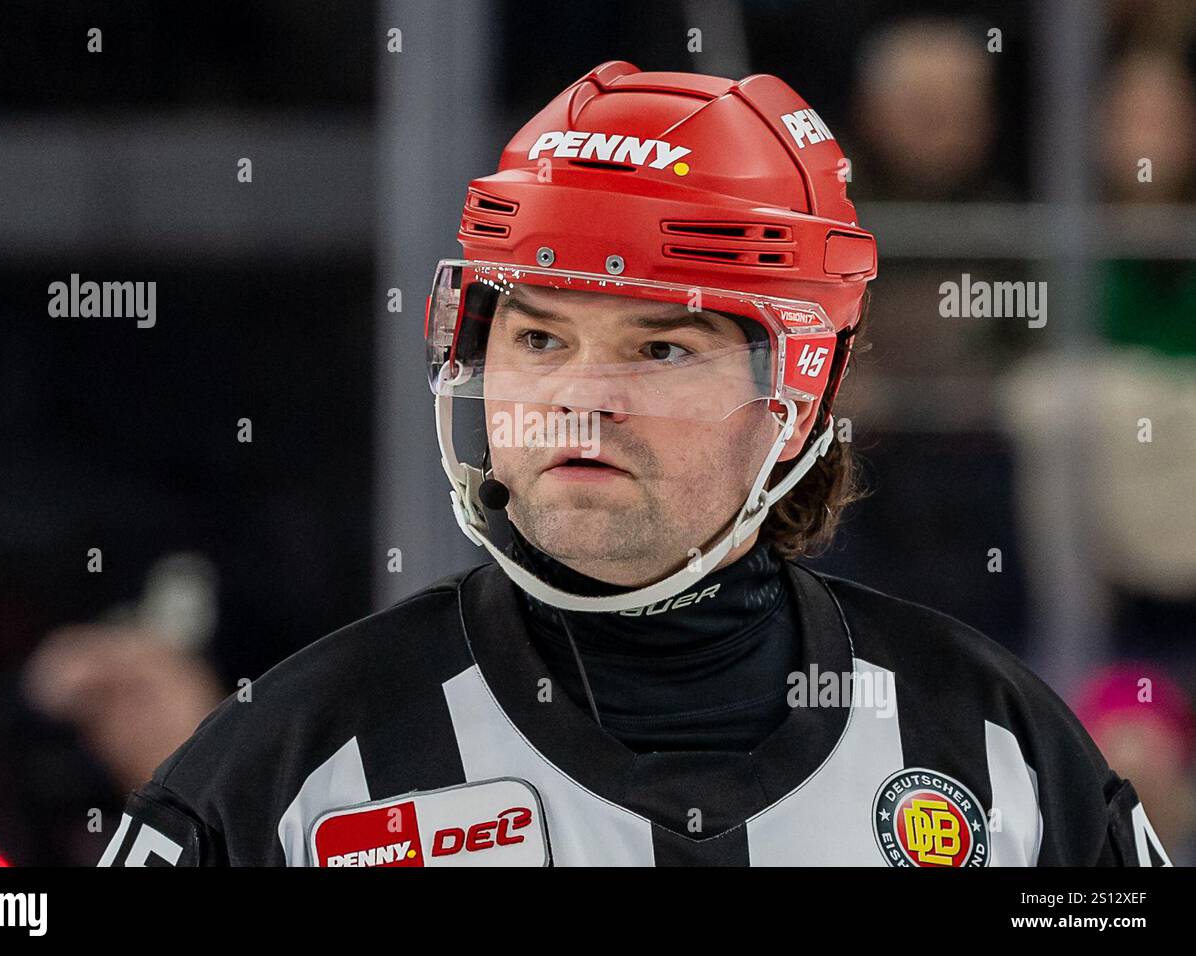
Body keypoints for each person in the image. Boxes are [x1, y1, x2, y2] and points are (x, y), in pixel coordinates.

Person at [99, 62, 1168, 867]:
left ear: (801, 389)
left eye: (661, 347)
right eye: (539, 337)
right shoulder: (288, 766)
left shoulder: (997, 749)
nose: (581, 396)